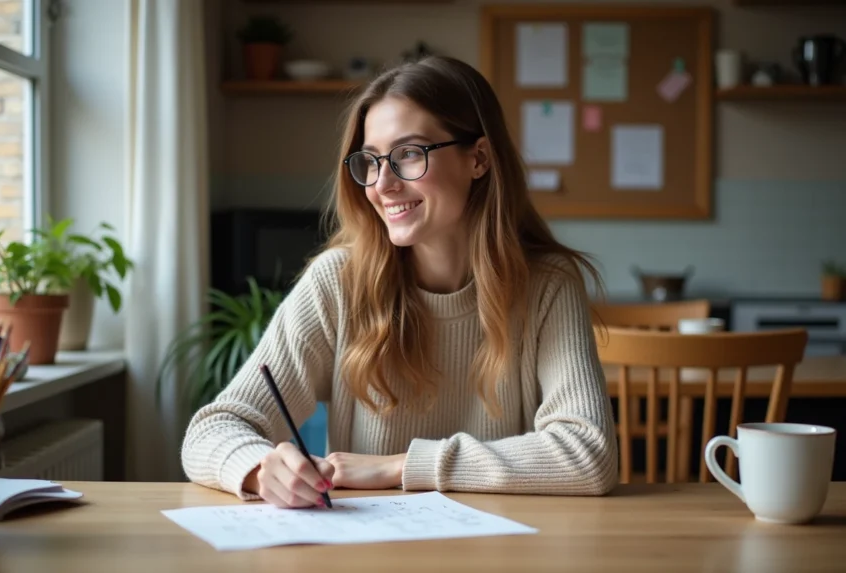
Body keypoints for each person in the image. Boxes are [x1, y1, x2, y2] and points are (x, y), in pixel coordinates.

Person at [181, 55, 618, 508]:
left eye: (408, 154)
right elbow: (212, 429)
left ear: (479, 159)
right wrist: (258, 470)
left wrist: (398, 467)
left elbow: (589, 453)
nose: (382, 184)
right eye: (370, 161)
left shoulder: (546, 285)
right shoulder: (339, 283)